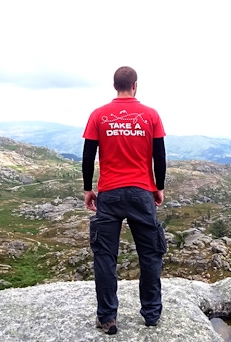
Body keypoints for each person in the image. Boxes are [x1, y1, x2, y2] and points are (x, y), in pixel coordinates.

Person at [82, 66, 167, 335]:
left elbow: (88, 155)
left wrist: (87, 189)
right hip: (142, 193)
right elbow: (159, 156)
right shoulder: (151, 115)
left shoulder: (98, 115)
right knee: (150, 254)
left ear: (114, 85)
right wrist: (159, 187)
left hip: (109, 193)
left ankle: (107, 318)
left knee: (105, 257)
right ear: (135, 85)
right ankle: (152, 314)